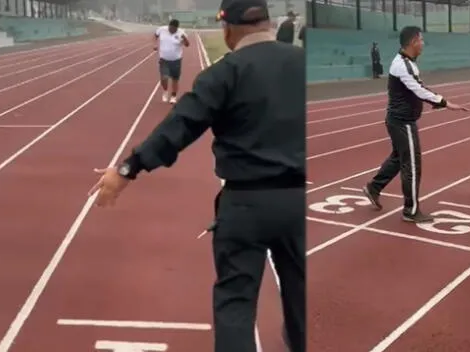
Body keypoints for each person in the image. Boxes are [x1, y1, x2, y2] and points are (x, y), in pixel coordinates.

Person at [87, 0, 306, 351]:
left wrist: (128, 168)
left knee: (235, 302)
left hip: (245, 204)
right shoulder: (301, 63)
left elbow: (180, 126)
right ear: (269, 21)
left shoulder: (225, 72)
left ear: (227, 28)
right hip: (298, 200)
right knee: (300, 294)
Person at [361, 26, 468, 223]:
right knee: (411, 164)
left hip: (399, 120)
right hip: (402, 122)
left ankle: (373, 188)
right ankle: (410, 210)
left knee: (397, 158)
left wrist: (433, 102)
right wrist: (444, 102)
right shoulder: (403, 65)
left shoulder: (406, 63)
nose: (423, 44)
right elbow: (418, 89)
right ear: (413, 42)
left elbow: (415, 90)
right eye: (421, 40)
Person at [154, 19, 190, 104]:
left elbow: (187, 45)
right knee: (164, 78)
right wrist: (154, 44)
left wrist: (184, 38)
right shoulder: (161, 30)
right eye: (171, 29)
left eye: (174, 30)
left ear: (177, 28)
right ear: (169, 26)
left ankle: (173, 96)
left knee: (175, 79)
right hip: (164, 59)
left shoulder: (181, 33)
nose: (172, 31)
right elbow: (155, 36)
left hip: (176, 60)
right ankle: (165, 91)